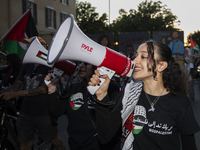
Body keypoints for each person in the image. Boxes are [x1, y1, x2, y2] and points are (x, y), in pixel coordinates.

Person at [88, 39, 200, 150]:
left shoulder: (180, 103)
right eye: (136, 55)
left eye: (143, 57)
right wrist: (101, 97)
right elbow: (105, 137)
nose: (134, 60)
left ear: (161, 65)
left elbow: (189, 146)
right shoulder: (128, 95)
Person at [0, 37, 65, 150]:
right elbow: (16, 86)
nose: (28, 47)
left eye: (31, 44)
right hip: (26, 113)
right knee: (24, 144)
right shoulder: (26, 66)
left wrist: (15, 94)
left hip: (44, 113)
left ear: (43, 46)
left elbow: (43, 89)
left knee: (54, 141)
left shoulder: (49, 65)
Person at [45, 62, 121, 150]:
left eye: (86, 63)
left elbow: (113, 123)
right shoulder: (74, 88)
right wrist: (52, 89)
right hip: (76, 145)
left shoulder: (110, 88)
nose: (80, 66)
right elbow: (56, 111)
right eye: (79, 63)